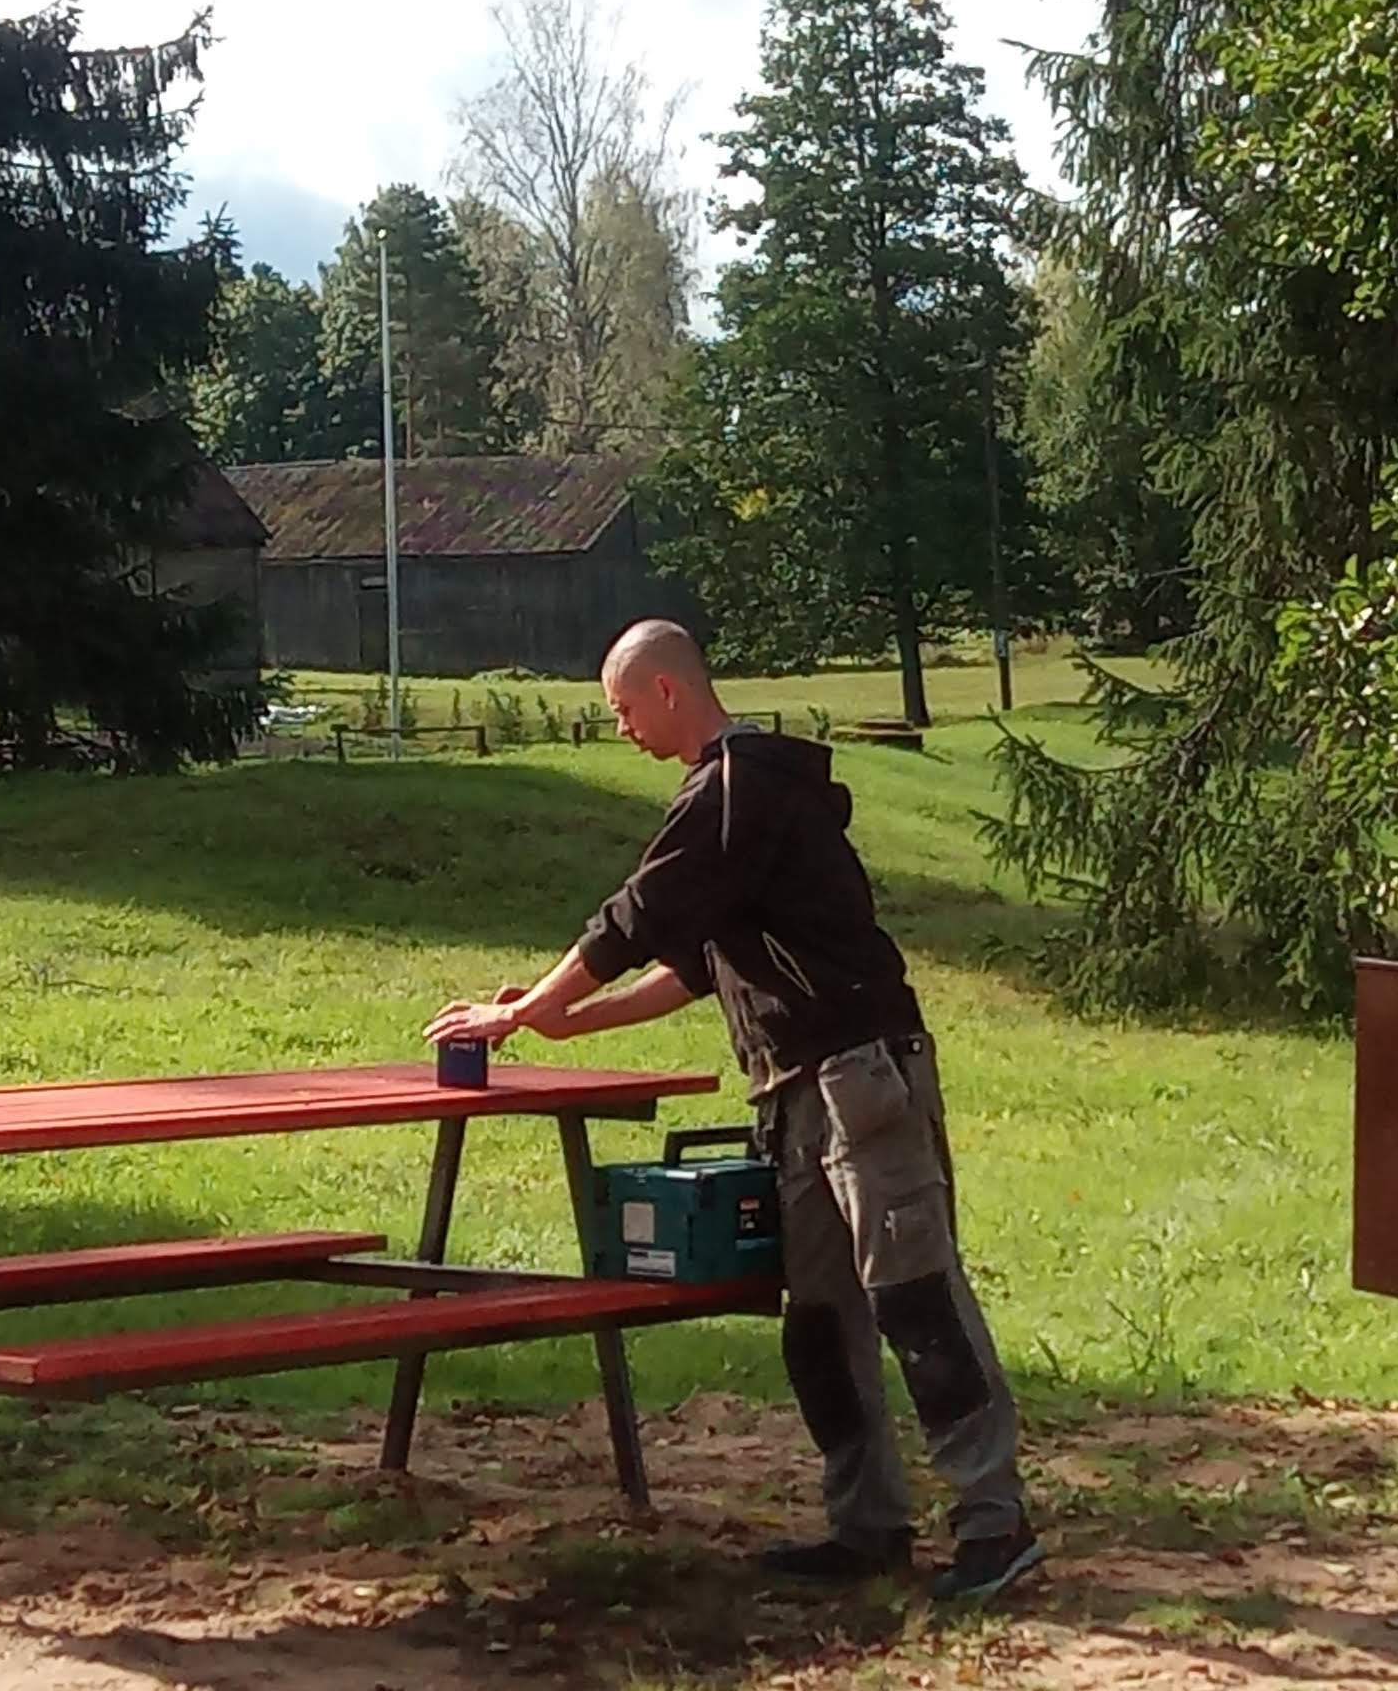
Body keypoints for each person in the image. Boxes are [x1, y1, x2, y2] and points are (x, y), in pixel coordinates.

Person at [426, 620, 1041, 1608]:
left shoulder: (735, 787)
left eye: (624, 708)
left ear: (668, 690)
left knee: (916, 1296)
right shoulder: (730, 804)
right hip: (794, 1090)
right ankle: (867, 1528)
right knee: (820, 1321)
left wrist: (524, 1010)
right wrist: (567, 1023)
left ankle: (994, 1521)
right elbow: (689, 966)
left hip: (862, 1077)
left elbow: (636, 914)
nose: (620, 727)